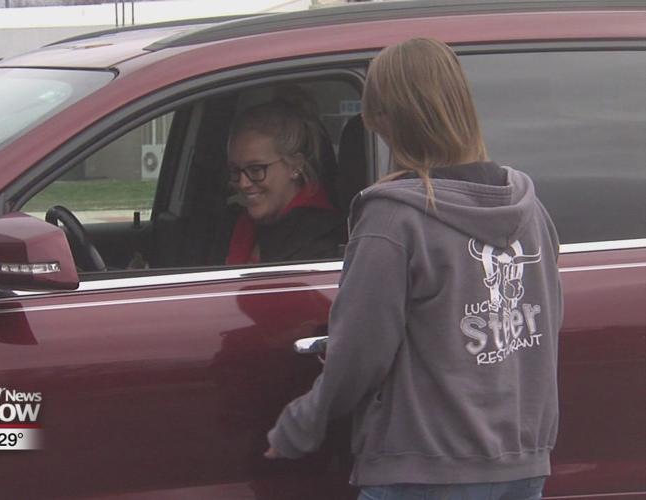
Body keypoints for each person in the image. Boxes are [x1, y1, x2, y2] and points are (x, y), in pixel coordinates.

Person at [264, 38, 563, 498]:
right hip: (521, 468)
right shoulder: (530, 210)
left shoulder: (393, 220)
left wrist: (300, 425)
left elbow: (359, 354)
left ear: (387, 120)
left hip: (423, 471)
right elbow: (544, 330)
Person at [224, 98, 343, 264]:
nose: (243, 183)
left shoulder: (320, 240)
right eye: (236, 170)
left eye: (256, 169)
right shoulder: (240, 226)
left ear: (296, 166)